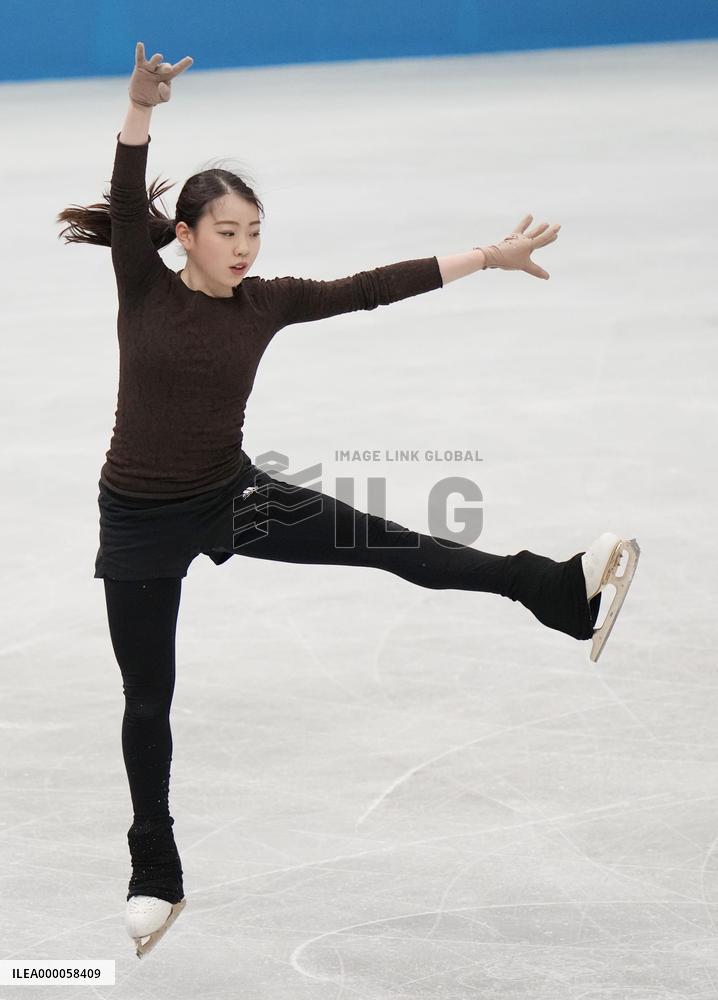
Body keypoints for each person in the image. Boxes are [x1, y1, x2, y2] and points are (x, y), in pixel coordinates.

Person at [56, 41, 639, 959]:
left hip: (229, 496)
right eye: (227, 232)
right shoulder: (142, 283)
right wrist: (140, 109)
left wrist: (488, 256)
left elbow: (370, 289)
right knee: (147, 699)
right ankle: (154, 868)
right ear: (187, 235)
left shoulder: (266, 303)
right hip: (136, 520)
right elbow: (127, 197)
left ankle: (555, 590)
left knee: (391, 543)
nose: (244, 249)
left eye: (255, 232)